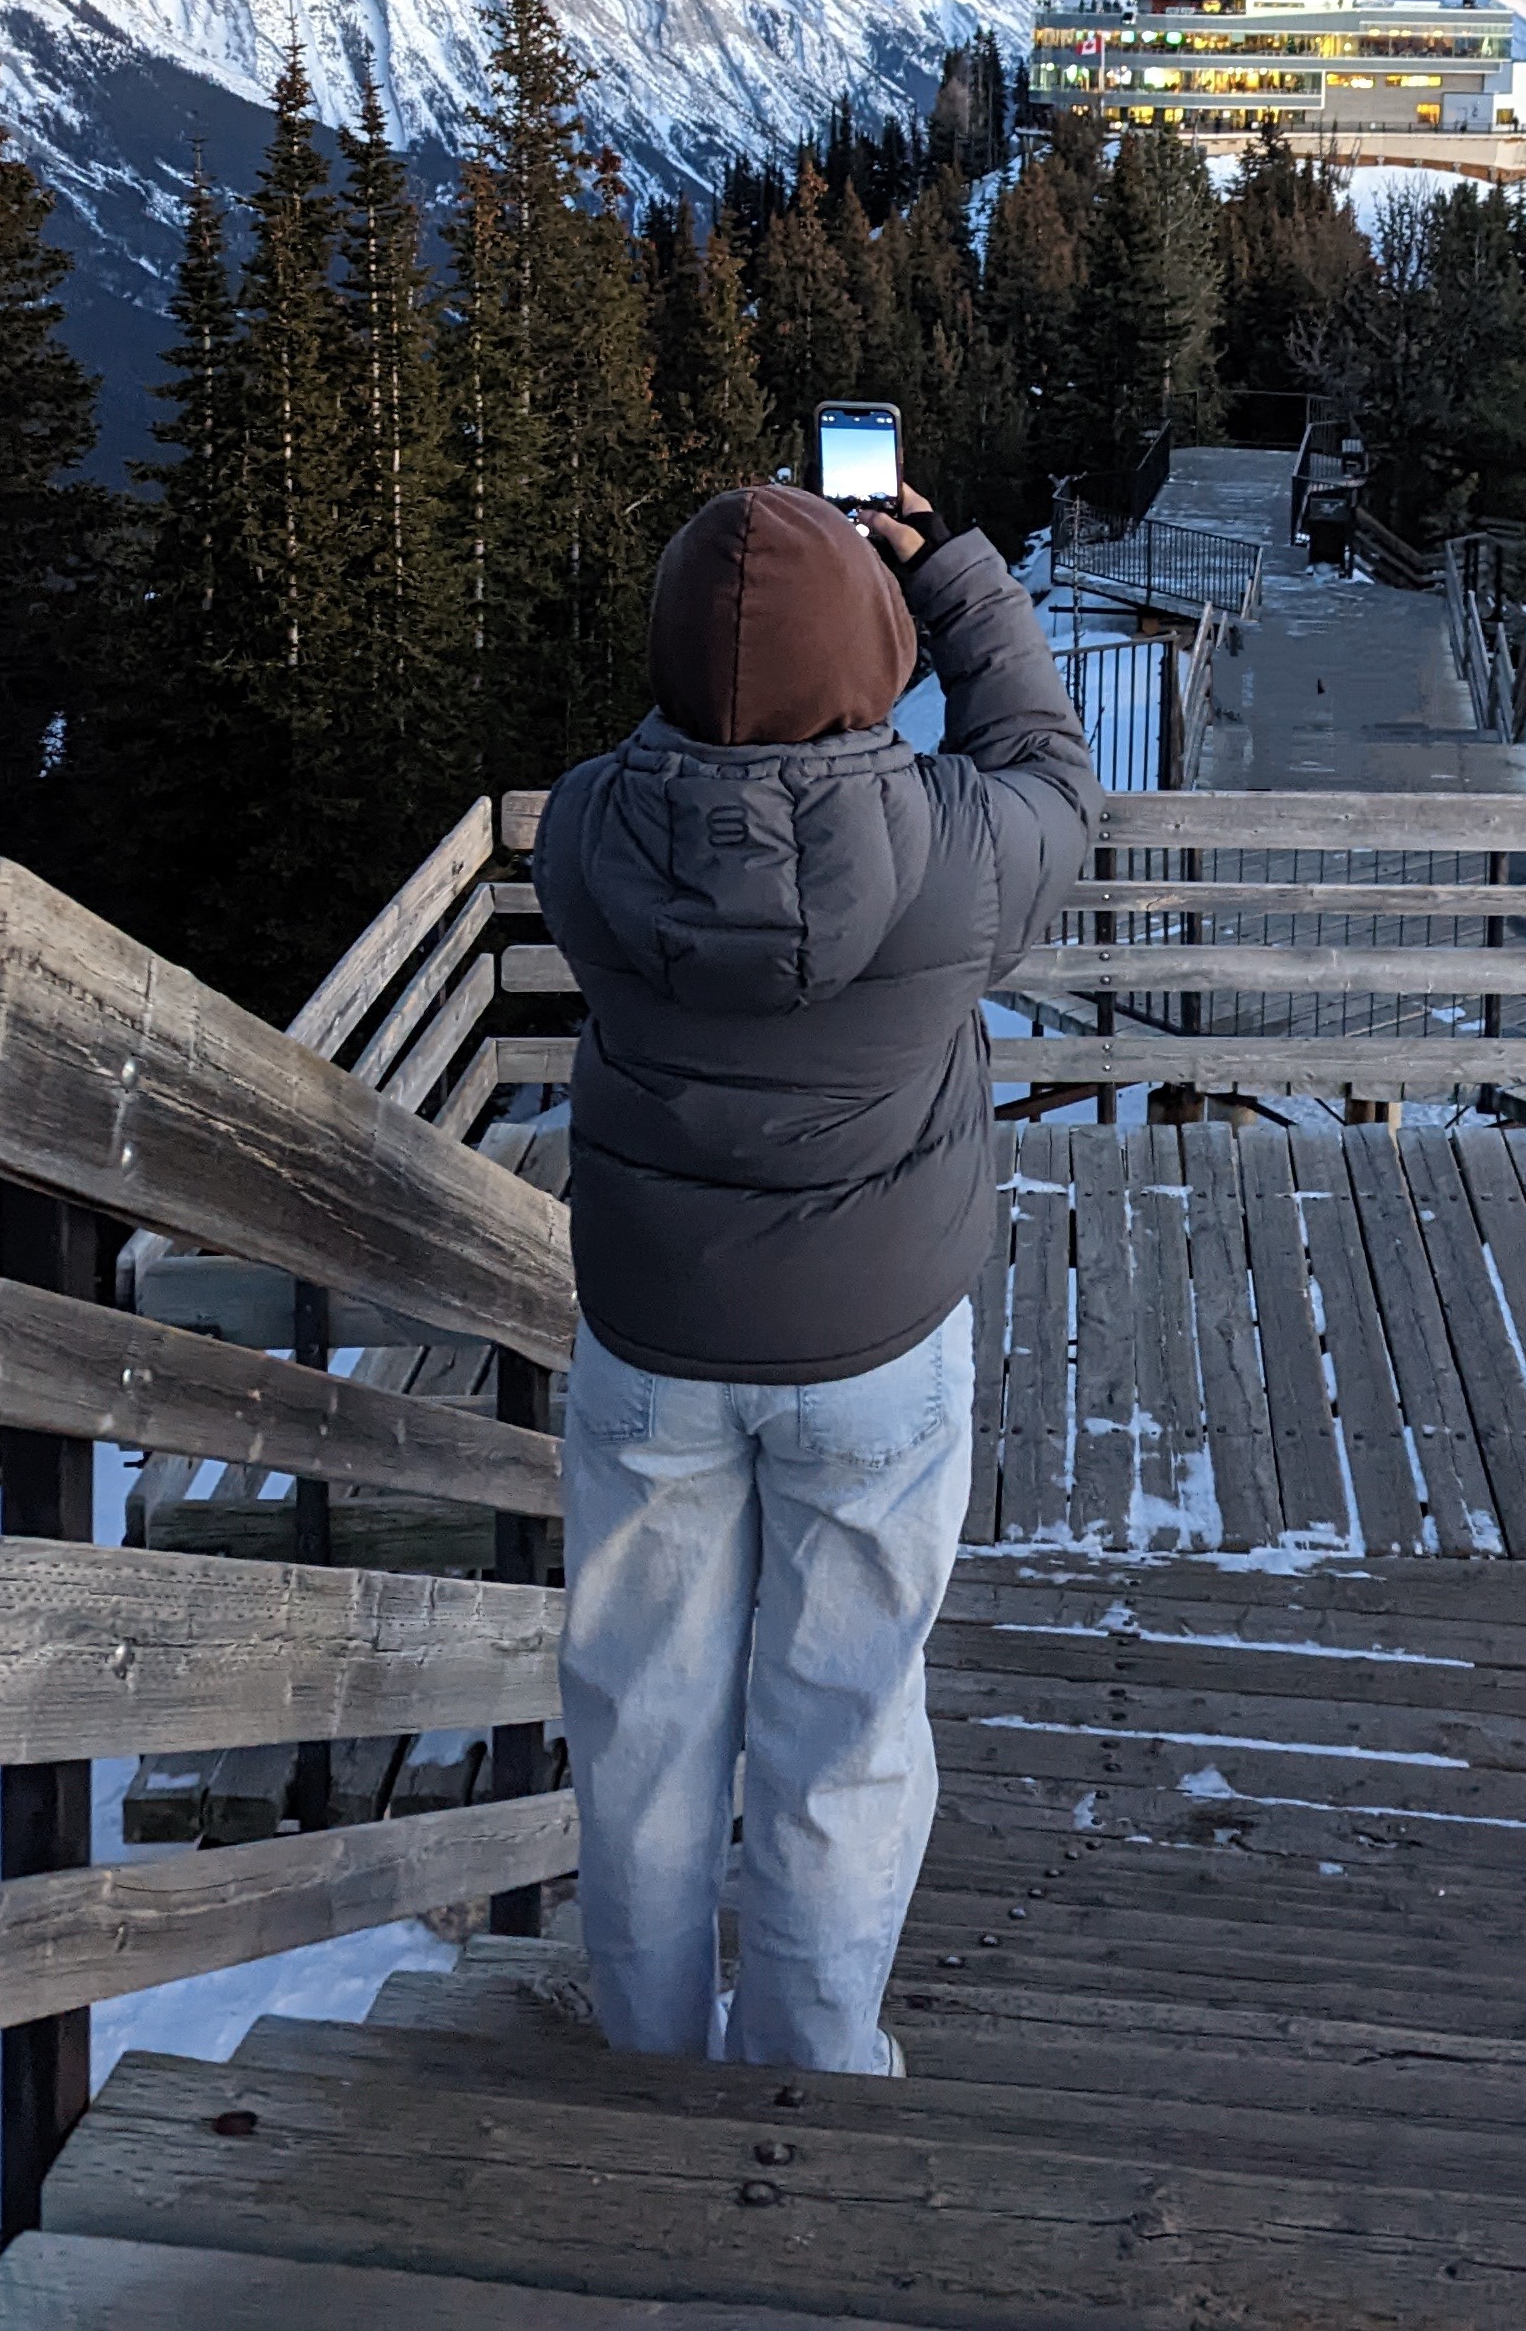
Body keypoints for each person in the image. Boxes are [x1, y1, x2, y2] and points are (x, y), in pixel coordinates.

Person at [536, 474, 1096, 2073]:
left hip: (651, 1341)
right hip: (874, 1352)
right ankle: (811, 2062)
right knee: (843, 1724)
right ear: (875, 652)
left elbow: (691, 771)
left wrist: (730, 667)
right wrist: (953, 582)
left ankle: (650, 2055)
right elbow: (1055, 766)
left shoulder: (586, 830)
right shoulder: (956, 853)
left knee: (641, 1719)